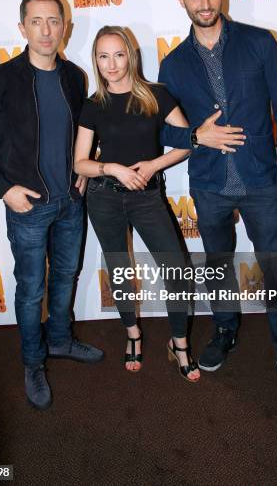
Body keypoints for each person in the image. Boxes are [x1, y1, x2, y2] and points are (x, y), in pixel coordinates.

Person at [159, 0, 277, 400]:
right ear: (181, 0)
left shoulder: (260, 43)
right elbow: (162, 130)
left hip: (262, 183)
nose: (205, 2)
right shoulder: (172, 65)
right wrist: (196, 134)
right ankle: (225, 330)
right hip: (208, 186)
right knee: (217, 266)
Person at [0, 0, 104, 410]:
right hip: (28, 208)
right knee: (30, 289)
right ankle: (32, 361)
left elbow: (85, 134)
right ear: (22, 28)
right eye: (37, 22)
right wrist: (4, 188)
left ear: (65, 27)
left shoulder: (75, 78)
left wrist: (83, 171)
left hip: (70, 204)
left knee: (66, 277)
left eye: (54, 21)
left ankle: (59, 341)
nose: (46, 30)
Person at [74, 25, 200, 382]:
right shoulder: (93, 105)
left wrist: (153, 165)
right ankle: (132, 334)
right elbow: (79, 162)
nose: (111, 64)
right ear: (96, 61)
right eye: (103, 56)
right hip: (104, 199)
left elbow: (187, 141)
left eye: (118, 54)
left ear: (131, 55)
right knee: (120, 272)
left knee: (176, 271)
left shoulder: (156, 96)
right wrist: (110, 167)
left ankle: (179, 344)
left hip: (147, 198)